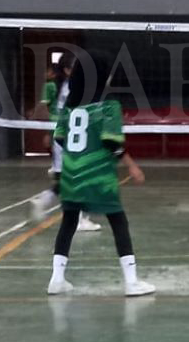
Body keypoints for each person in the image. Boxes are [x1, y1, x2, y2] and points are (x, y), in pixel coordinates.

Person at [46, 52, 154, 297]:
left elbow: (60, 139)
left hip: (71, 175)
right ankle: (131, 282)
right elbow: (112, 143)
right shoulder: (109, 106)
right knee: (118, 221)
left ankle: (56, 279)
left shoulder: (69, 109)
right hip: (98, 176)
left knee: (68, 222)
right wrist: (131, 165)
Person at [31, 56, 100, 232]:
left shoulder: (65, 86)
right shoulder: (73, 87)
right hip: (71, 139)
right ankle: (79, 220)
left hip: (65, 137)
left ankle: (44, 200)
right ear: (67, 70)